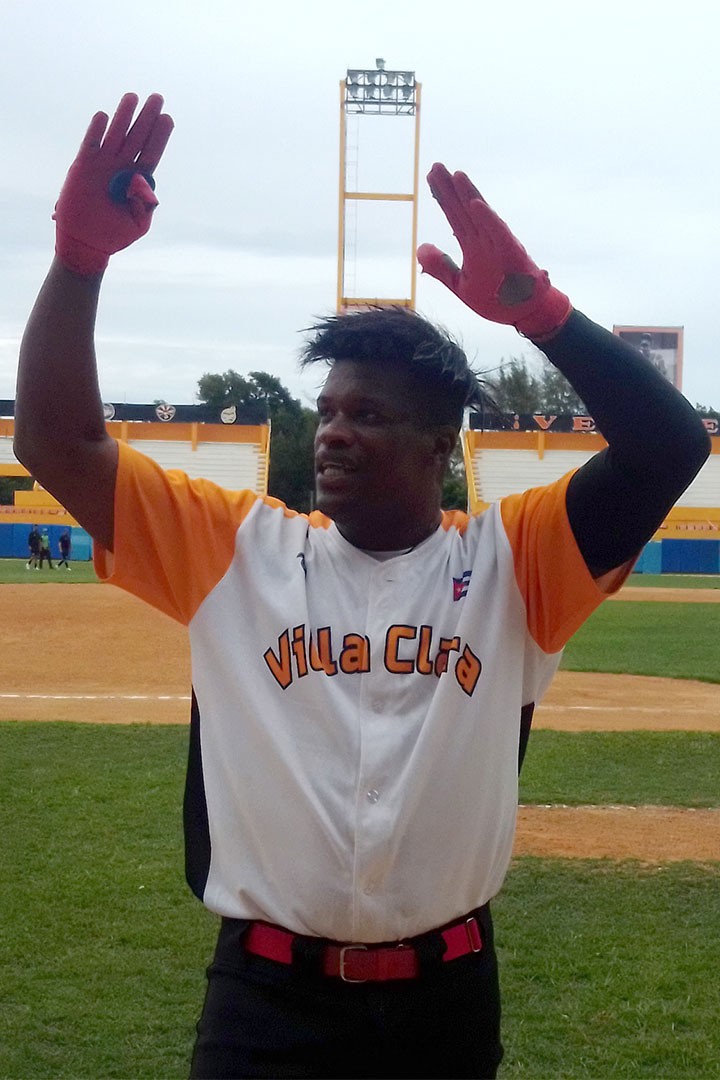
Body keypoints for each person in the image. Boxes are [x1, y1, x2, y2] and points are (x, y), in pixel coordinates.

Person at [14, 94, 710, 1080]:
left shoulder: (518, 563)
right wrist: (79, 261)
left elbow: (670, 446)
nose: (332, 431)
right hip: (266, 1003)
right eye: (327, 409)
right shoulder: (234, 550)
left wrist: (542, 313)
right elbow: (58, 442)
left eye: (367, 414)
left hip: (446, 1007)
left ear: (438, 448)